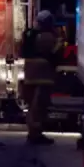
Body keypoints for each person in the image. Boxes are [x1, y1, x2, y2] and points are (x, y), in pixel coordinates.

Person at [22, 10, 62, 145]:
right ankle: (36, 134)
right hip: (43, 76)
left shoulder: (29, 35)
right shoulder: (49, 37)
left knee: (32, 106)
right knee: (40, 106)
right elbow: (55, 54)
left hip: (29, 75)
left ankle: (32, 132)